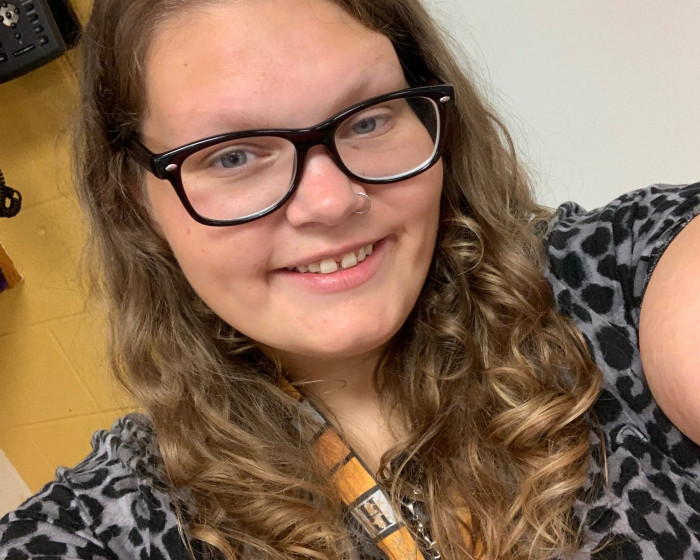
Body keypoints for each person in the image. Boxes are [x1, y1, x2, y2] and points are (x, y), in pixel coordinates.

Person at [1, 0, 698, 558]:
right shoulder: (119, 523)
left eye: (367, 119)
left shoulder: (617, 279)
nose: (332, 201)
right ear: (134, 197)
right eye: (234, 155)